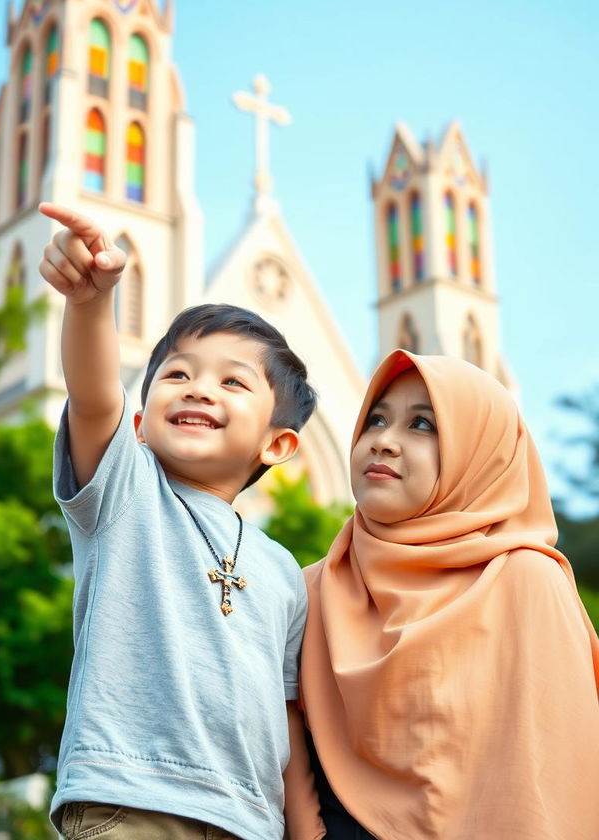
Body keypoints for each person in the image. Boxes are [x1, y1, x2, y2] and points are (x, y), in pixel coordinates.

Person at [37, 202, 325, 840]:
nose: (199, 388)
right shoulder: (125, 491)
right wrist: (90, 301)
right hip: (128, 799)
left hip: (250, 823)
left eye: (233, 383)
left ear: (277, 444)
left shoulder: (283, 573)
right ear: (138, 423)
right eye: (177, 374)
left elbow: (289, 719)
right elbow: (92, 395)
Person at [299, 350, 599, 840]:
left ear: (482, 455)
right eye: (376, 419)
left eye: (423, 425)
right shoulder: (314, 586)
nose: (384, 442)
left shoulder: (522, 580)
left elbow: (554, 780)